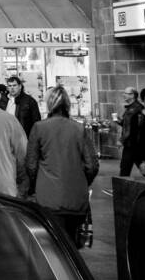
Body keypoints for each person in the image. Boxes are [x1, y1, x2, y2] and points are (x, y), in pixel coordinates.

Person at [25, 86, 99, 239]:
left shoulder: (39, 128)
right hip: (76, 199)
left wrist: (35, 186)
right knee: (72, 244)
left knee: (54, 245)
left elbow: (31, 165)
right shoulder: (79, 128)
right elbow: (91, 165)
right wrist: (83, 182)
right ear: (67, 104)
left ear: (49, 104)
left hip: (48, 198)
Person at [3, 76, 42, 141]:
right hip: (7, 136)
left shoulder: (29, 101)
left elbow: (36, 121)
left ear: (20, 86)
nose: (12, 88)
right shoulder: (4, 100)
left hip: (23, 137)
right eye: (9, 86)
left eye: (14, 85)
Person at [116, 86, 141, 176]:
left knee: (125, 169)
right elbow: (126, 124)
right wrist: (117, 120)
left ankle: (121, 189)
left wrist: (121, 140)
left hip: (132, 144)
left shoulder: (134, 109)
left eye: (126, 93)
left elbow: (130, 128)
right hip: (133, 144)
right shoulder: (132, 108)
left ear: (132, 95)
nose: (124, 95)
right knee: (127, 168)